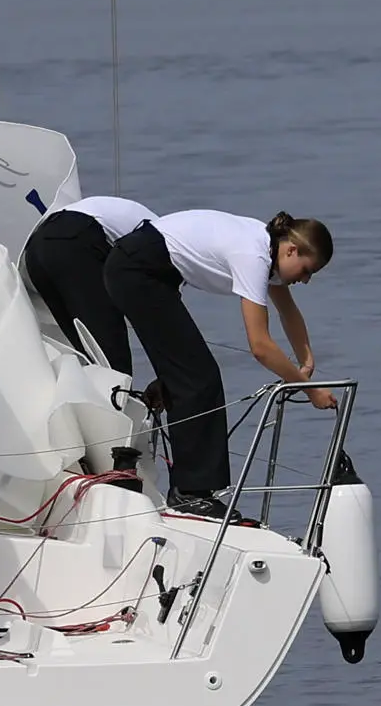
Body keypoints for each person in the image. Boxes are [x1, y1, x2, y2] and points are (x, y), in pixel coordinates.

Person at [103, 209, 335, 520]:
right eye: (307, 270)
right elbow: (261, 347)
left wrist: (306, 359)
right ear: (291, 250)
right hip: (138, 270)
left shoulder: (267, 249)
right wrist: (309, 390)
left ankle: (192, 489)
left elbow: (288, 313)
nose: (305, 280)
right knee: (200, 377)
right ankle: (190, 493)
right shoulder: (254, 257)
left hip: (149, 270)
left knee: (190, 373)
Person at [20, 195, 155, 376]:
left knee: (87, 351)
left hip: (36, 249)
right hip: (74, 240)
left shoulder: (159, 232)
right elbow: (158, 322)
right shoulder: (167, 255)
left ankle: (99, 396)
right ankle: (117, 397)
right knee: (110, 353)